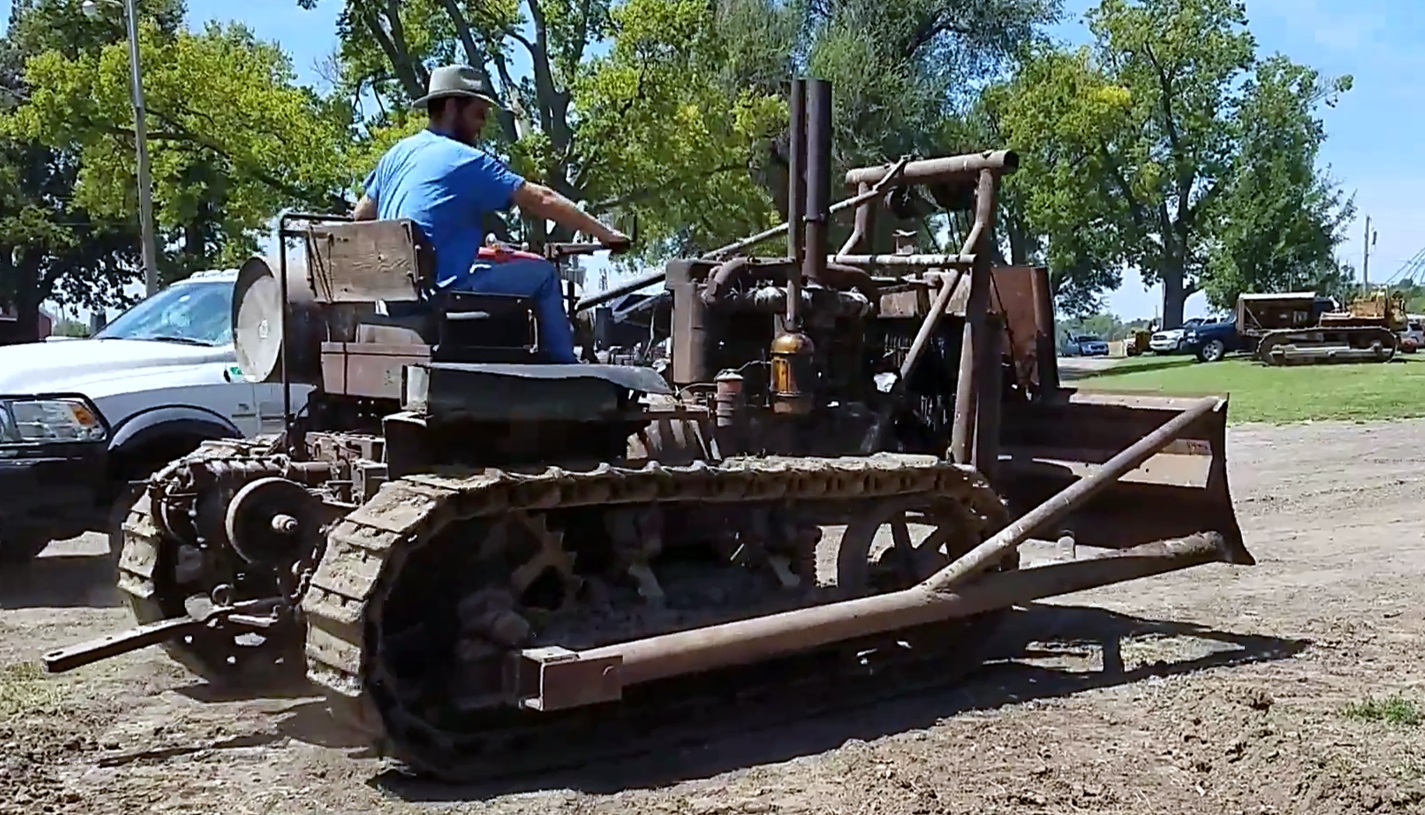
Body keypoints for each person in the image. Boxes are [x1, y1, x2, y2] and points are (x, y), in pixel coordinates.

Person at [352, 64, 629, 363]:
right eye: (478, 113)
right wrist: (606, 234)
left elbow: (361, 215)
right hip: (441, 295)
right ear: (449, 107)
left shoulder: (397, 154)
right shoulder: (465, 159)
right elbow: (541, 198)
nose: (482, 124)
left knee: (492, 266)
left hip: (398, 298)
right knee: (545, 275)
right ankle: (567, 372)